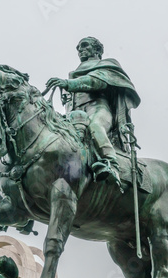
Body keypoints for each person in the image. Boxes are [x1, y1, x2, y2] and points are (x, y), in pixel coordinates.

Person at [45, 36, 141, 185]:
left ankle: (110, 163)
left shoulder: (107, 65)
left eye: (84, 45)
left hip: (97, 108)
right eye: (78, 48)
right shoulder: (74, 73)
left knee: (95, 126)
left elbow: (95, 82)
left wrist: (67, 83)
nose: (80, 50)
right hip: (75, 114)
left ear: (97, 49)